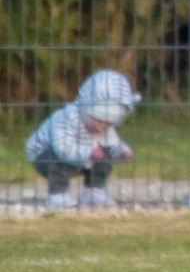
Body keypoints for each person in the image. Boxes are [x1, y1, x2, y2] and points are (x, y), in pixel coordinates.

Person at [28, 70, 140, 208]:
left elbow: (112, 142)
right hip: (44, 155)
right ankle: (57, 195)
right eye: (98, 119)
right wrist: (88, 153)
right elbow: (62, 148)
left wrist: (121, 152)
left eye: (108, 122)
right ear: (87, 107)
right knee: (57, 160)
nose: (101, 127)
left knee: (103, 156)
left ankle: (94, 191)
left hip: (83, 154)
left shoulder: (103, 127)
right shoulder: (66, 117)